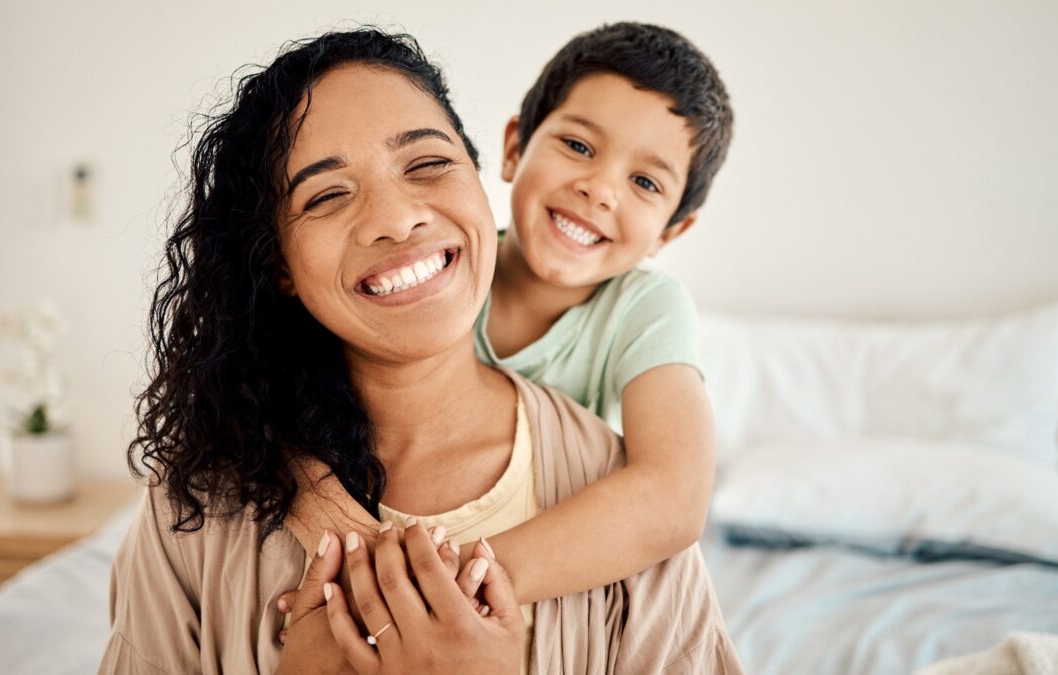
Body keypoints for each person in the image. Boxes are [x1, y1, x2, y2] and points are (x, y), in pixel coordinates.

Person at [101, 26, 741, 674]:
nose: (399, 219)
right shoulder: (199, 499)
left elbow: (672, 493)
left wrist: (457, 584)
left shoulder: (622, 484)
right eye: (326, 194)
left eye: (427, 164)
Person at [281, 22, 734, 608]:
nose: (599, 189)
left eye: (644, 181)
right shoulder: (439, 268)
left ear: (672, 230)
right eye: (578, 146)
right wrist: (342, 543)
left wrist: (455, 586)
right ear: (516, 146)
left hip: (533, 564)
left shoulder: (646, 309)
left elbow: (673, 495)